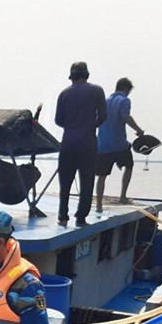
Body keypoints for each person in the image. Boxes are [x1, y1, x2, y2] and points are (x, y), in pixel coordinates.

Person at [55, 62, 107, 227]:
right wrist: (91, 125)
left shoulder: (64, 94)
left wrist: (72, 127)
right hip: (88, 142)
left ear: (72, 77)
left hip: (68, 141)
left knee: (65, 183)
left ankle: (63, 217)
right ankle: (80, 218)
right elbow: (103, 115)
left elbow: (58, 120)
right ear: (86, 75)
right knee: (87, 182)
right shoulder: (97, 91)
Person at [95, 77, 145, 214]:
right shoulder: (124, 100)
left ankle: (98, 205)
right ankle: (123, 196)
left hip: (103, 145)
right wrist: (138, 130)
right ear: (125, 89)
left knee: (101, 176)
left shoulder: (104, 101)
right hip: (119, 144)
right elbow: (125, 117)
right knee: (129, 166)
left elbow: (95, 120)